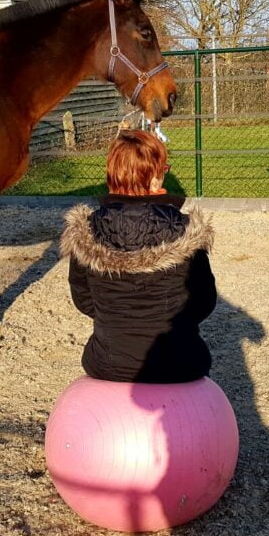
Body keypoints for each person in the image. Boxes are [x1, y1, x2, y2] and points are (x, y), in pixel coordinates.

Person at [60, 130, 216, 383]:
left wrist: (116, 320)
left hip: (107, 363)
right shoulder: (188, 229)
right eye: (164, 169)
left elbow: (84, 300)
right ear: (154, 179)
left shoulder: (85, 231)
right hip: (181, 364)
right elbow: (203, 302)